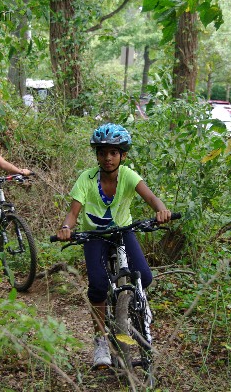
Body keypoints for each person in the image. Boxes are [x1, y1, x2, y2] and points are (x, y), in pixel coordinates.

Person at [55, 123, 172, 368]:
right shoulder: (86, 179)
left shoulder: (129, 175)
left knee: (145, 277)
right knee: (98, 287)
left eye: (113, 152)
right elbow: (73, 212)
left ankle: (138, 308)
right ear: (96, 154)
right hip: (94, 236)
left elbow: (151, 198)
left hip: (123, 232)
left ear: (123, 155)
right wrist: (67, 228)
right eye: (102, 152)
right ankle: (100, 341)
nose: (108, 158)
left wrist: (161, 210)